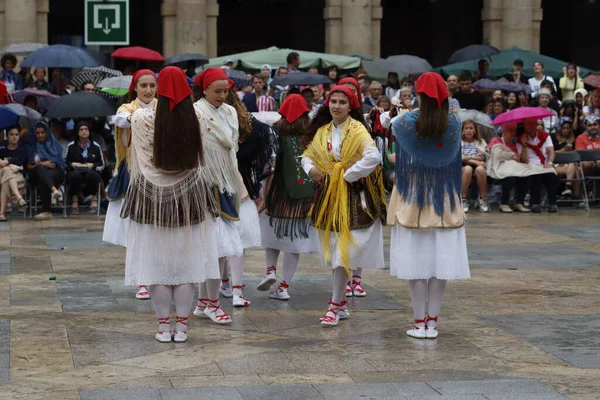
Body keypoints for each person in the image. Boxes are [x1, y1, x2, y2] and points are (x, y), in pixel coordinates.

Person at [121, 66, 218, 343]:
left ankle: (164, 327)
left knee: (156, 266)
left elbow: (140, 158)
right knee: (186, 266)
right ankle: (183, 328)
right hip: (190, 198)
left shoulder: (140, 117)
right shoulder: (198, 115)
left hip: (150, 197)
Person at [388, 72, 469, 339]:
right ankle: (432, 323)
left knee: (415, 264)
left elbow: (392, 133)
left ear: (420, 95)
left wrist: (402, 112)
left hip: (413, 196)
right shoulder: (455, 122)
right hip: (445, 196)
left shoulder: (405, 122)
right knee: (439, 264)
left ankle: (418, 321)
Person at [302, 85, 387, 326]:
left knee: (344, 253)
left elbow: (374, 156)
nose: (336, 106)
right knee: (337, 252)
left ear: (351, 107)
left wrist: (349, 174)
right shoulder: (323, 131)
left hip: (354, 198)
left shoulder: (357, 129)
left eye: (342, 102)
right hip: (330, 195)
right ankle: (339, 304)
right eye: (333, 101)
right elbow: (307, 155)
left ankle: (335, 304)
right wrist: (312, 170)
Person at [192, 67, 245, 321]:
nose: (223, 95)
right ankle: (212, 303)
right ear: (204, 90)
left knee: (221, 246)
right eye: (217, 91)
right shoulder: (195, 112)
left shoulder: (231, 112)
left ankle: (204, 302)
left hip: (227, 181)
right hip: (205, 183)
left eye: (226, 91)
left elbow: (231, 147)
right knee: (216, 246)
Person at [218, 88, 278, 306]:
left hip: (228, 187)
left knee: (226, 242)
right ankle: (232, 289)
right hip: (236, 188)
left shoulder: (248, 126)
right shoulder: (251, 126)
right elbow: (265, 160)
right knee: (232, 243)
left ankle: (229, 287)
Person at [102, 69, 157, 301]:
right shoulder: (127, 109)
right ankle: (141, 280)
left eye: (152, 85)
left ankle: (157, 276)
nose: (148, 90)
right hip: (134, 173)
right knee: (137, 230)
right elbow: (121, 122)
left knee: (159, 230)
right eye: (143, 86)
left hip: (160, 173)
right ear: (135, 87)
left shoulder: (163, 107)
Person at [258, 94, 319, 300]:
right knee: (295, 243)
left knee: (270, 232)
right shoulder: (312, 133)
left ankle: (270, 271)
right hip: (304, 195)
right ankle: (284, 286)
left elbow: (267, 160)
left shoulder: (274, 130)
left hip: (276, 191)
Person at [27, 122, 66, 220]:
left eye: (42, 132)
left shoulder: (53, 145)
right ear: (34, 134)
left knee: (43, 177)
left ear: (47, 133)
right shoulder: (32, 147)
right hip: (35, 174)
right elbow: (28, 166)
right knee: (40, 169)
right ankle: (54, 190)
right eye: (37, 133)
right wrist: (42, 164)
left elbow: (54, 163)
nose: (40, 135)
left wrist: (42, 165)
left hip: (55, 172)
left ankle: (47, 211)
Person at [65, 122, 104, 214]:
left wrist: (92, 165)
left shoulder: (95, 146)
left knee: (91, 175)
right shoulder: (71, 146)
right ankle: (75, 200)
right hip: (75, 171)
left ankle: (94, 198)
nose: (84, 131)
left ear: (89, 132)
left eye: (86, 129)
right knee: (74, 176)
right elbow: (66, 162)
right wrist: (73, 164)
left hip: (91, 171)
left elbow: (101, 164)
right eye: (81, 130)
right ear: (77, 132)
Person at [521, 118, 558, 213]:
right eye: (529, 124)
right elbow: (524, 160)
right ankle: (535, 204)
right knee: (536, 175)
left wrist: (549, 163)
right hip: (529, 166)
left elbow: (551, 152)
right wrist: (524, 145)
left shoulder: (545, 136)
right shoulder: (521, 138)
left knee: (551, 174)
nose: (535, 126)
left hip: (544, 164)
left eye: (536, 124)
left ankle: (553, 204)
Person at [461, 120, 489, 213]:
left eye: (471, 128)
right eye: (466, 128)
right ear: (462, 131)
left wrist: (470, 158)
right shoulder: (458, 142)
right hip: (462, 166)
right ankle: (463, 198)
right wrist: (475, 161)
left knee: (481, 169)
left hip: (477, 165)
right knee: (468, 169)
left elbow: (482, 157)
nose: (469, 130)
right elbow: (461, 158)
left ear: (475, 130)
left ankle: (483, 198)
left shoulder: (481, 142)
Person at [0, 126, 27, 221]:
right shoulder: (2, 148)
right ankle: (19, 197)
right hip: (4, 175)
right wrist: (11, 165)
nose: (14, 137)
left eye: (16, 134)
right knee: (7, 172)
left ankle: (1, 213)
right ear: (7, 137)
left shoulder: (22, 149)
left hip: (18, 177)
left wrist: (7, 162)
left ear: (19, 136)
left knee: (6, 179)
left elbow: (21, 161)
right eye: (11, 134)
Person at [553, 117, 578, 197]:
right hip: (556, 164)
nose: (566, 130)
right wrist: (563, 150)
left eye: (568, 128)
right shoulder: (553, 137)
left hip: (569, 164)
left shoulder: (574, 138)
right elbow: (550, 153)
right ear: (560, 128)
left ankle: (569, 189)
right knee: (576, 171)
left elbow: (576, 154)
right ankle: (578, 198)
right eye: (564, 128)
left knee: (574, 167)